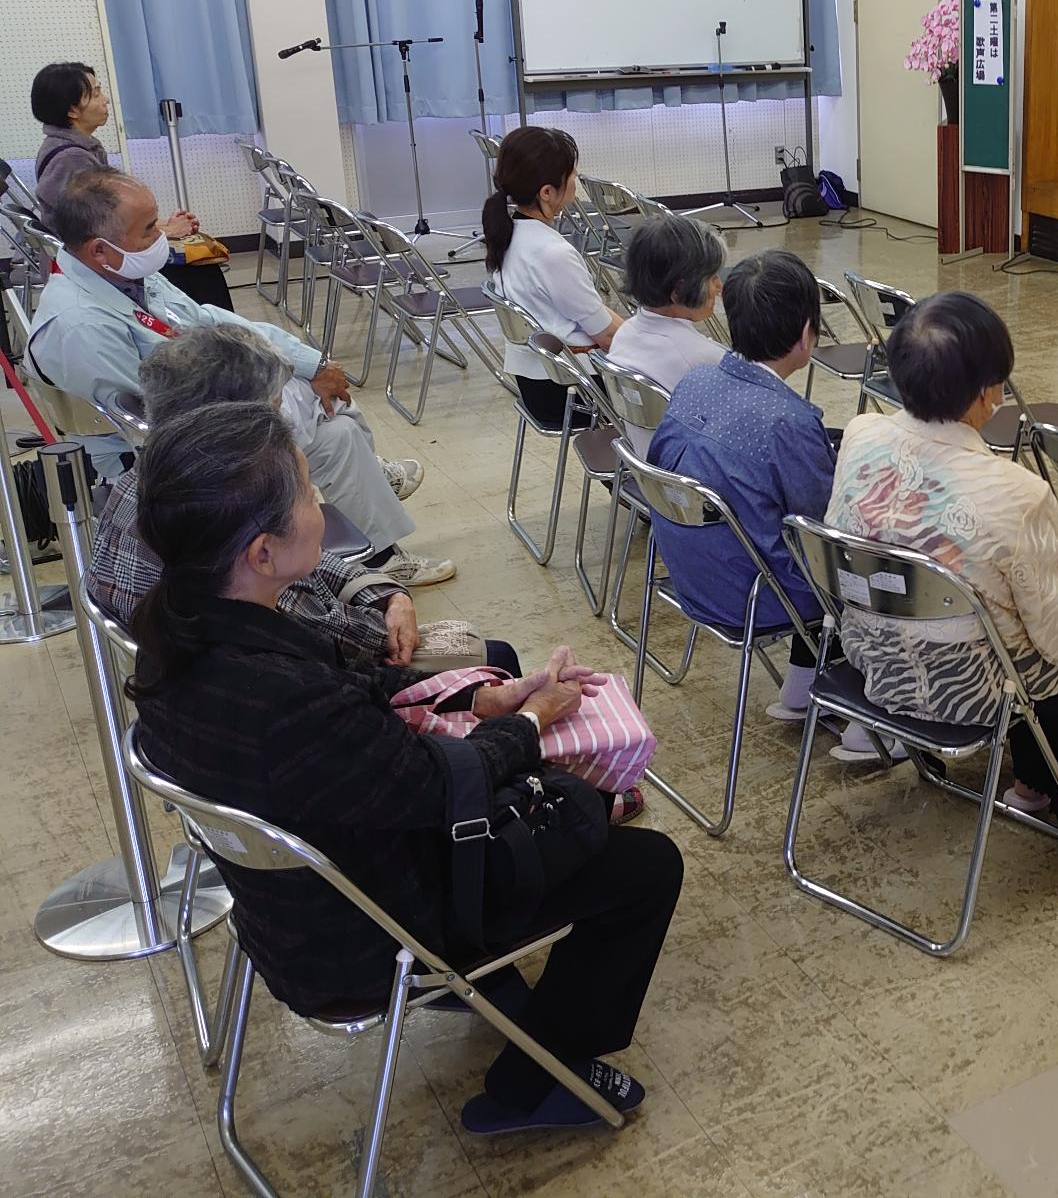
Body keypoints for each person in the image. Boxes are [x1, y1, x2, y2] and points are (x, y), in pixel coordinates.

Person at [128, 401, 681, 1134]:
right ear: (262, 551)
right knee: (644, 866)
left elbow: (356, 684)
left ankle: (495, 1002)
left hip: (292, 913)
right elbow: (443, 785)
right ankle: (533, 1087)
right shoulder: (278, 698)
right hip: (371, 933)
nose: (320, 502)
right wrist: (527, 723)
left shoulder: (185, 627)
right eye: (305, 490)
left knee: (557, 787)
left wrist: (480, 695)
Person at [826, 291, 1058, 848]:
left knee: (1014, 619)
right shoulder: (1016, 493)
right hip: (971, 689)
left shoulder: (861, 434)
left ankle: (1034, 781)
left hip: (874, 655)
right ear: (986, 394)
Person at [26, 168, 453, 585]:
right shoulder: (79, 326)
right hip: (164, 459)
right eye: (149, 229)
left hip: (206, 408)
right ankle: (372, 517)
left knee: (335, 427)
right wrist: (269, 397)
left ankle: (379, 556)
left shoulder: (123, 274)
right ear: (100, 250)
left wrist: (310, 363)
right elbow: (157, 424)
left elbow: (209, 321)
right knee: (314, 408)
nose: (162, 236)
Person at [88, 326, 518, 674]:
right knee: (494, 657)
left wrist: (380, 591)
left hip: (225, 678)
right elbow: (328, 634)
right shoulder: (235, 516)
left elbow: (301, 558)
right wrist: (386, 614)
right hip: (294, 685)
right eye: (275, 408)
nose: (283, 420)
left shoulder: (147, 479)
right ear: (229, 424)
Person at [644, 249, 865, 750]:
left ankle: (802, 688)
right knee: (864, 565)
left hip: (690, 571)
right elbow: (824, 530)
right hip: (756, 594)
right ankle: (867, 721)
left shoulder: (694, 383)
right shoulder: (787, 421)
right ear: (807, 334)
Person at [30, 61, 233, 310]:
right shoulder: (72, 159)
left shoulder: (74, 148)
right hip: (94, 267)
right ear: (73, 110)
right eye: (95, 94)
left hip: (96, 257)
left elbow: (110, 218)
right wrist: (165, 233)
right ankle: (216, 342)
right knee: (201, 271)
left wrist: (160, 226)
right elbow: (99, 231)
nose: (105, 100)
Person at [483, 126, 623, 430]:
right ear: (547, 192)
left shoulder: (508, 236)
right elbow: (607, 336)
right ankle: (639, 476)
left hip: (538, 381)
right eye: (572, 175)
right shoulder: (551, 253)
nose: (576, 180)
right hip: (573, 389)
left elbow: (591, 313)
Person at [606, 212, 727, 395]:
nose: (719, 287)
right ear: (678, 291)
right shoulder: (703, 358)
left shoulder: (625, 333)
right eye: (711, 278)